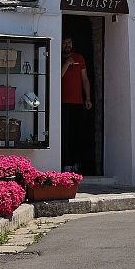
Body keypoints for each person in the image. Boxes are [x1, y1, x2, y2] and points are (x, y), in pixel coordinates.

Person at [60, 36, 91, 173]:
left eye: (69, 42)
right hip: (62, 102)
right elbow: (56, 77)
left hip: (78, 102)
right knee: (64, 134)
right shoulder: (58, 57)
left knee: (78, 134)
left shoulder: (79, 57)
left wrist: (88, 98)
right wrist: (67, 64)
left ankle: (77, 163)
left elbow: (85, 79)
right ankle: (66, 163)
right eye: (64, 43)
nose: (67, 45)